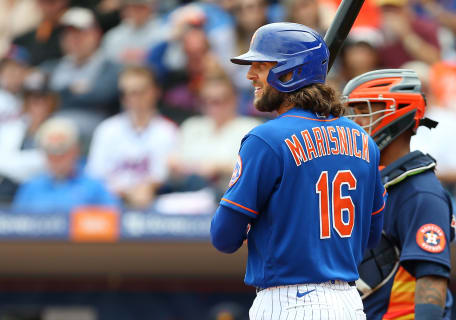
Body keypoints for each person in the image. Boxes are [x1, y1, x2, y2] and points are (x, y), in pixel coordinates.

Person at [210, 22, 386, 319]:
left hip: (290, 302)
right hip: (349, 303)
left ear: (291, 72)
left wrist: (259, 225)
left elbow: (223, 236)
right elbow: (370, 237)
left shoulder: (266, 139)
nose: (250, 75)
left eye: (261, 65)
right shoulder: (364, 141)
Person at [343, 69, 454, 319]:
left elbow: (432, 282)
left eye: (364, 112)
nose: (355, 122)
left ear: (396, 115)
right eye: (354, 112)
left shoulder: (420, 192)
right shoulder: (367, 179)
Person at [86, 66, 179, 209]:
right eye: (128, 93)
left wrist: (145, 188)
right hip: (110, 202)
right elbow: (95, 174)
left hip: (154, 201)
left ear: (155, 92)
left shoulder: (167, 131)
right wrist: (126, 192)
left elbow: (164, 175)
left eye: (141, 91)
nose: (134, 98)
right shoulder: (106, 129)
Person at [13, 117, 119, 213]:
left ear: (75, 150)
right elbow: (16, 225)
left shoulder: (94, 186)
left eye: (62, 151)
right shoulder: (31, 187)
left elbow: (115, 220)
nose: (56, 159)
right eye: (50, 152)